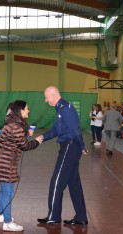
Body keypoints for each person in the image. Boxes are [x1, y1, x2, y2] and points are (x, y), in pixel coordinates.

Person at [0, 100, 43, 232]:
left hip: (1, 162)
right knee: (8, 192)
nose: (28, 111)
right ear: (20, 110)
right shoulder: (16, 126)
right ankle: (7, 222)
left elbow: (17, 139)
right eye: (27, 109)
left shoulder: (12, 124)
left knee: (3, 191)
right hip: (5, 164)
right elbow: (24, 145)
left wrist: (26, 134)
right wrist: (37, 141)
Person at [37, 86, 88, 226]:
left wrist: (82, 146)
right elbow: (56, 130)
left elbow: (75, 130)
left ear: (53, 95)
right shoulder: (61, 108)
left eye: (47, 97)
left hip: (70, 147)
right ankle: (81, 217)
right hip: (69, 147)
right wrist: (43, 137)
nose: (46, 100)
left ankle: (53, 216)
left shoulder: (65, 108)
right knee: (74, 184)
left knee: (56, 182)